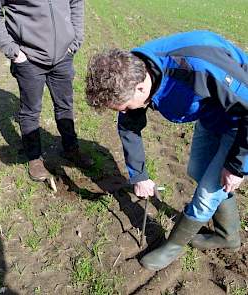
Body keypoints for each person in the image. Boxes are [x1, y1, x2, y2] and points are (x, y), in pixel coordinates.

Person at [85, 30, 248, 271]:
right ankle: (229, 235)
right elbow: (129, 126)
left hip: (241, 120)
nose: (123, 113)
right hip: (210, 113)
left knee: (207, 193)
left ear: (141, 89)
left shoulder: (199, 67)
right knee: (197, 170)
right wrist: (139, 175)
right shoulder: (133, 73)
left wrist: (237, 165)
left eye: (125, 107)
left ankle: (173, 246)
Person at [0, 0, 93, 181]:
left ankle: (71, 149)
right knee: (30, 111)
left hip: (64, 55)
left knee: (65, 105)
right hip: (28, 59)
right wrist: (13, 51)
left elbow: (76, 2)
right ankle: (34, 159)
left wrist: (75, 39)